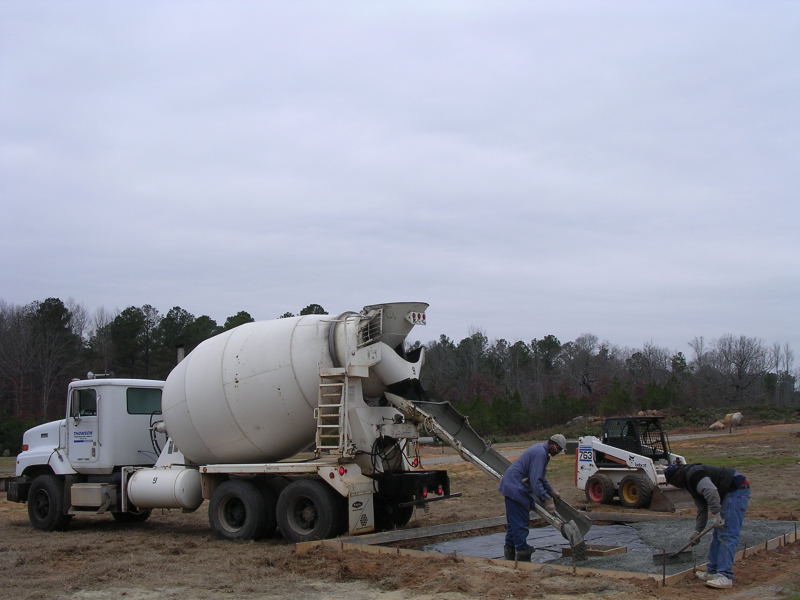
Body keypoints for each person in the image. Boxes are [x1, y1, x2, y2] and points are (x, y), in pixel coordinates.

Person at [664, 463, 750, 589]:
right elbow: (702, 508)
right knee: (718, 534)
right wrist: (697, 531)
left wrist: (717, 514)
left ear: (676, 478)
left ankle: (725, 576)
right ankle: (712, 572)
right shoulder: (689, 483)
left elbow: (711, 491)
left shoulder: (694, 475)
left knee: (727, 534)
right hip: (727, 491)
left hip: (736, 488)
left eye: (672, 482)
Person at [498, 434, 566, 561]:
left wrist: (551, 491)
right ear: (553, 445)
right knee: (520, 521)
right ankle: (522, 551)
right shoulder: (540, 453)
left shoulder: (542, 451)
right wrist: (547, 498)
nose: (558, 452)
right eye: (559, 449)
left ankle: (510, 552)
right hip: (515, 487)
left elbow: (540, 477)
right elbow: (535, 481)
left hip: (513, 485)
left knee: (514, 523)